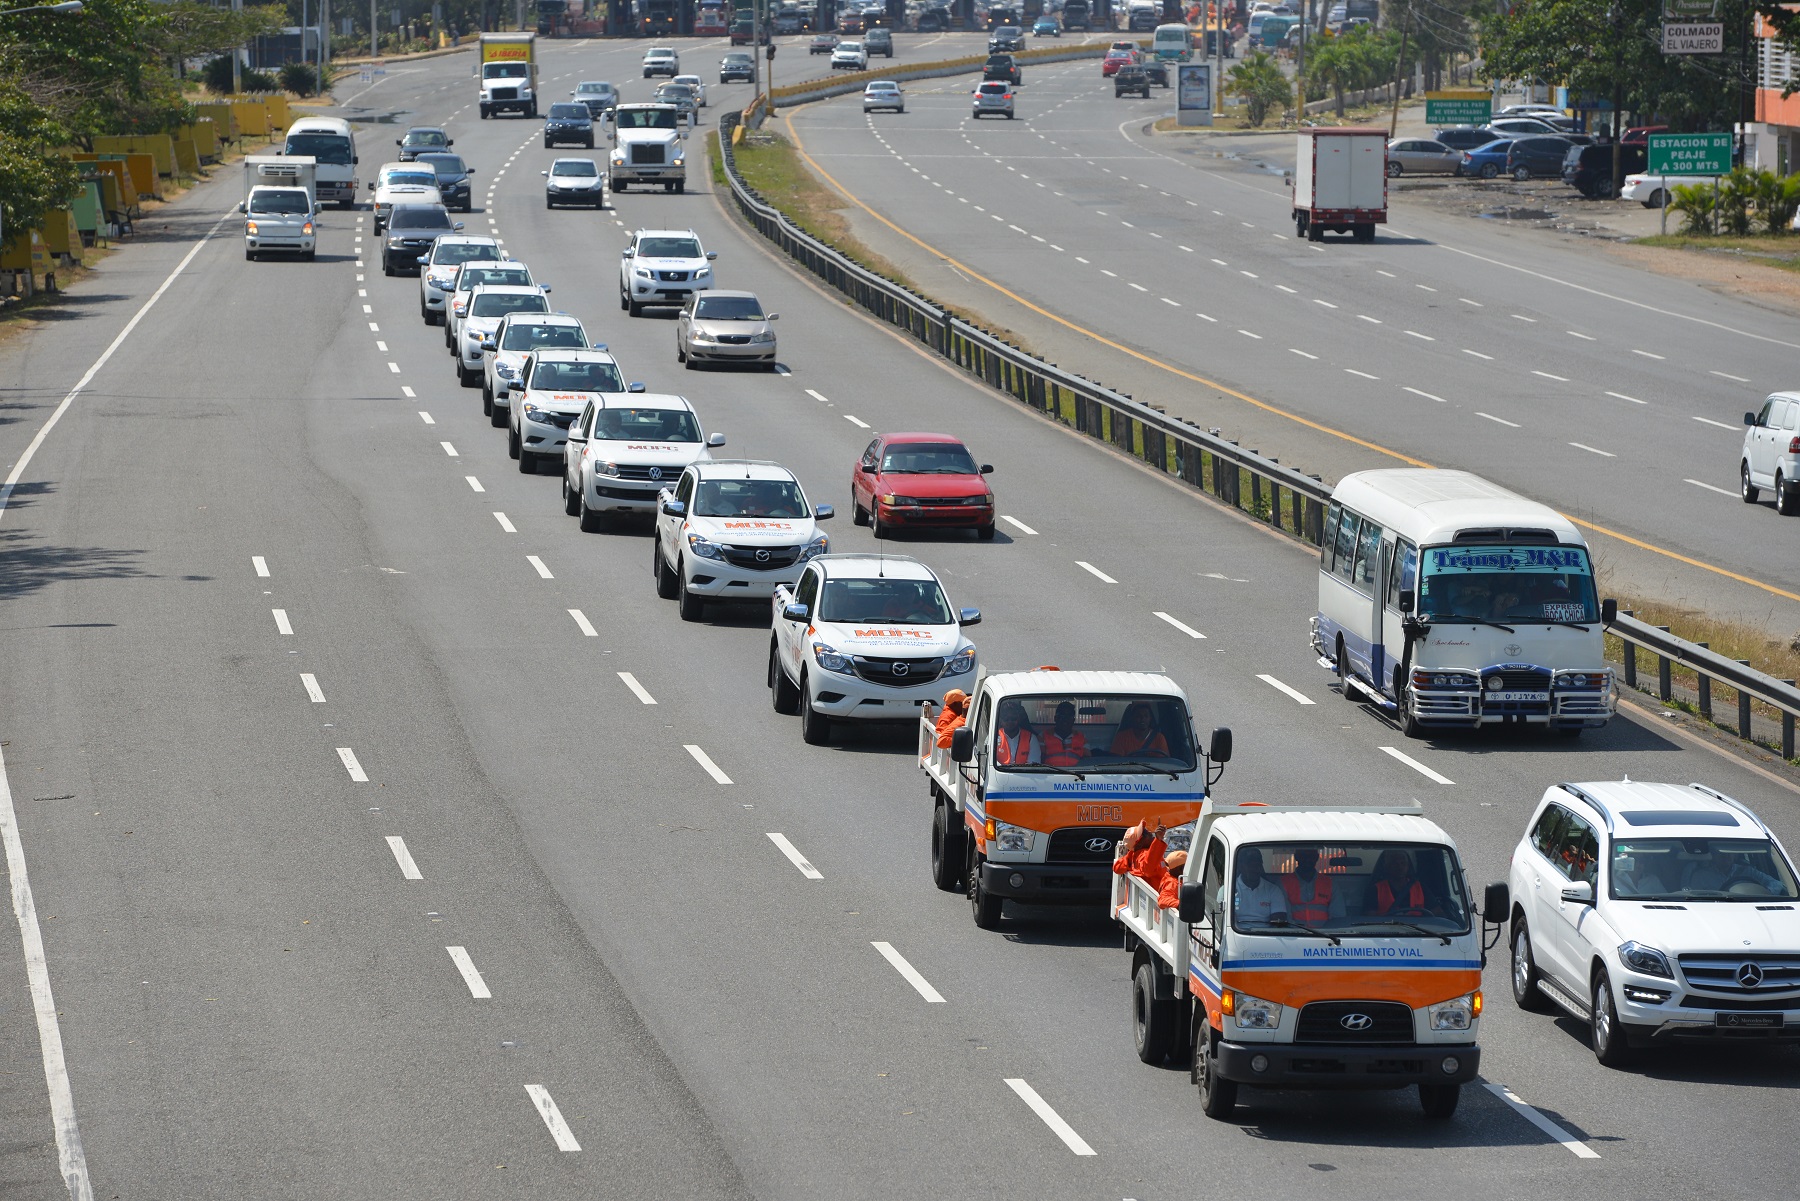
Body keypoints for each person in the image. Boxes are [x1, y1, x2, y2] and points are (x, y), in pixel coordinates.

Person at [1682, 845, 1784, 895]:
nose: (1726, 857)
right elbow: (1694, 897)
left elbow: (1777, 884)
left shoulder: (1749, 872)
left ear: (1735, 855)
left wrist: (1765, 894)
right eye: (1721, 854)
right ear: (1713, 855)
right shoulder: (1701, 876)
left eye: (1730, 853)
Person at [1232, 847, 1287, 925]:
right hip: (1235, 934)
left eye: (1257, 864)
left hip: (1265, 935)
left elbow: (1278, 922)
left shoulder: (1273, 890)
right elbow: (1222, 921)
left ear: (1261, 866)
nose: (1254, 869)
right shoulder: (1228, 890)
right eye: (1249, 865)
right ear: (1240, 866)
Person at [1280, 848, 1333, 924]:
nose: (1307, 859)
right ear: (1296, 857)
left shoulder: (1330, 883)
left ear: (1317, 857)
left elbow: (1337, 917)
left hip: (1329, 934)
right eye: (1303, 856)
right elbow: (1284, 916)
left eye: (1311, 856)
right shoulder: (1283, 882)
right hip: (1292, 933)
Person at [1370, 848, 1426, 915]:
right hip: (1384, 925)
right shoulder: (1375, 890)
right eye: (1395, 863)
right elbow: (1369, 919)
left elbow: (1438, 914)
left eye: (1403, 863)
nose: (1400, 867)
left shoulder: (1420, 888)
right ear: (1387, 867)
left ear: (1408, 866)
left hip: (1418, 925)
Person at [1042, 701, 1087, 767]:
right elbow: (1039, 761)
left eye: (1069, 717)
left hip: (1078, 774)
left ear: (1073, 720)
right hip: (1050, 774)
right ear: (1055, 718)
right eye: (1062, 716)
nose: (1065, 720)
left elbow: (1087, 761)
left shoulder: (1081, 737)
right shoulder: (1043, 736)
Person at [994, 700, 1039, 765]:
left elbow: (1034, 764)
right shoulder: (993, 736)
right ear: (1001, 721)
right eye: (1006, 719)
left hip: (1023, 774)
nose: (1010, 721)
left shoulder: (1031, 738)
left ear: (1018, 719)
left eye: (1013, 718)